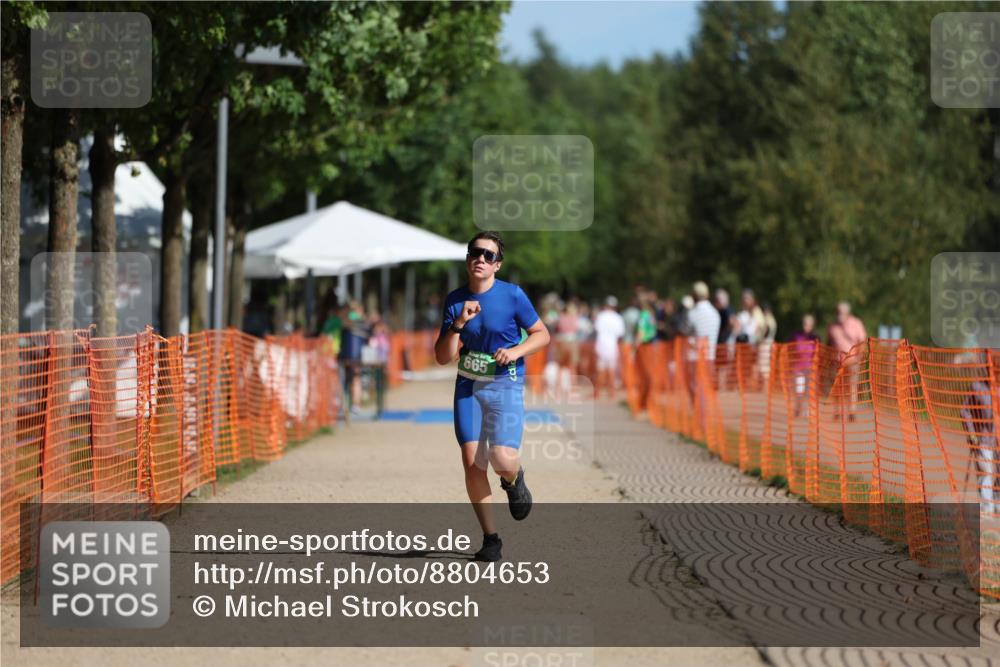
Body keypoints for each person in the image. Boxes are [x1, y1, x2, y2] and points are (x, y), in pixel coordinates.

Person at [434, 231, 550, 562]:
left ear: (498, 264)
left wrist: (515, 352)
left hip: (505, 384)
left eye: (489, 255)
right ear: (467, 258)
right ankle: (490, 538)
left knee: (502, 459)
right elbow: (442, 357)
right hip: (468, 386)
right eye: (475, 252)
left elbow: (542, 334)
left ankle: (514, 480)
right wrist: (458, 323)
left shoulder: (512, 295)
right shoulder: (455, 300)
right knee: (473, 463)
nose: (480, 259)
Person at [826, 301, 867, 419]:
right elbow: (829, 343)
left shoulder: (856, 323)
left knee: (851, 386)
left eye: (842, 312)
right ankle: (837, 410)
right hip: (836, 361)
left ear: (848, 313)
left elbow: (862, 341)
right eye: (838, 312)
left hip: (852, 361)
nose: (840, 314)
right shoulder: (832, 326)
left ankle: (852, 411)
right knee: (837, 387)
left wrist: (859, 356)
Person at [593, 296, 626, 399]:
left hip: (601, 346)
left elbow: (596, 329)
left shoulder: (601, 316)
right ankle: (612, 393)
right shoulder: (618, 318)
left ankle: (597, 393)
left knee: (600, 370)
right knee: (611, 370)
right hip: (612, 346)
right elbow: (620, 333)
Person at [790, 314, 820, 417]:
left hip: (810, 368)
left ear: (812, 325)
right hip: (798, 367)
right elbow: (790, 349)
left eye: (808, 324)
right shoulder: (796, 336)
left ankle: (807, 409)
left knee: (808, 390)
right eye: (804, 324)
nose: (806, 326)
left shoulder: (815, 338)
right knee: (799, 390)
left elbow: (818, 353)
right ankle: (798, 407)